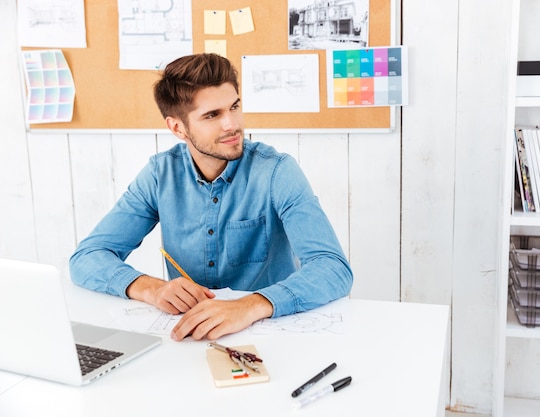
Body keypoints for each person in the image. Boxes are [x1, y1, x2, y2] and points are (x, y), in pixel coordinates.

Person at [69, 53, 353, 341]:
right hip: (188, 337)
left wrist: (250, 306)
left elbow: (332, 268)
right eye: (212, 115)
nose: (231, 124)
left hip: (270, 332)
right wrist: (152, 289)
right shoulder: (160, 174)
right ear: (177, 127)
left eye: (234, 107)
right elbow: (88, 257)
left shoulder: (277, 171)